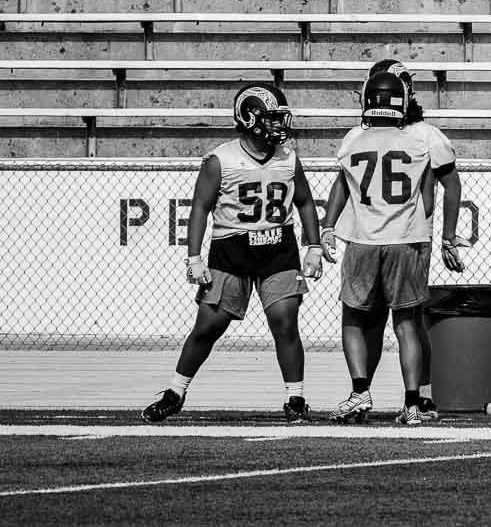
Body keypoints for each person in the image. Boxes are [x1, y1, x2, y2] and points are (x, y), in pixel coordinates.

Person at [143, 84, 323, 423]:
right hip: (231, 249)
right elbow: (200, 208)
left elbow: (304, 202)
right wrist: (193, 257)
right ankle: (175, 391)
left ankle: (295, 397)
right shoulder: (220, 159)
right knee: (208, 326)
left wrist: (313, 245)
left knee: (285, 323)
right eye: (271, 119)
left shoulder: (288, 158)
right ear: (250, 118)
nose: (278, 126)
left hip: (278, 249)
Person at [321, 63, 467, 425]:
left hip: (364, 239)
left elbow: (343, 183)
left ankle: (360, 391)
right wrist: (441, 233)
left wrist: (327, 226)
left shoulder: (353, 138)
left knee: (356, 320)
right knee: (408, 324)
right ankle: (414, 402)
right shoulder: (420, 140)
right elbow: (432, 197)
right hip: (409, 238)